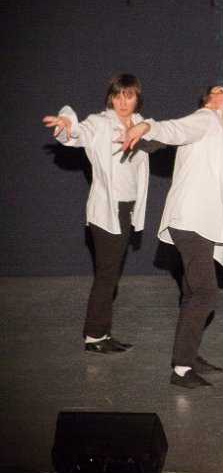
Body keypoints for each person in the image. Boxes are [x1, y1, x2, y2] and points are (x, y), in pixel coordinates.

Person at [121, 86, 223, 389]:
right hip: (191, 220)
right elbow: (176, 129)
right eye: (221, 90)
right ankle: (182, 370)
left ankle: (188, 357)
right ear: (209, 103)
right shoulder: (207, 119)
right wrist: (147, 127)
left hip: (202, 223)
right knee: (206, 293)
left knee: (193, 293)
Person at [43, 74, 156, 355]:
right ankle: (94, 336)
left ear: (137, 98)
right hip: (107, 211)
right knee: (107, 275)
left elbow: (162, 139)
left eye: (128, 96)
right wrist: (67, 124)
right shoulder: (100, 123)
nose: (122, 102)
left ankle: (102, 333)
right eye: (117, 96)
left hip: (127, 209)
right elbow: (76, 134)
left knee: (110, 274)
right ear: (110, 98)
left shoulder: (142, 124)